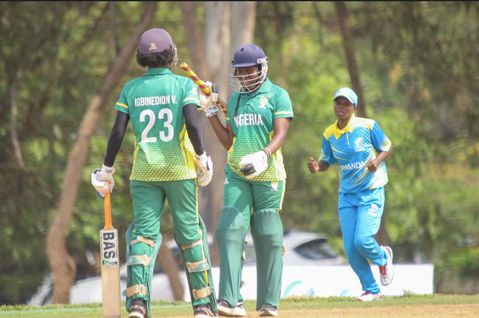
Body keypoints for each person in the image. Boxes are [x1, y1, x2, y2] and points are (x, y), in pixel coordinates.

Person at [90, 28, 218, 318]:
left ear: (141, 58)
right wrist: (202, 158)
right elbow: (194, 123)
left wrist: (106, 170)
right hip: (179, 171)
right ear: (171, 54)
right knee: (190, 235)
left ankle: (136, 304)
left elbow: (118, 131)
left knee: (144, 237)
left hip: (144, 173)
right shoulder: (183, 86)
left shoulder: (131, 89)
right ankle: (201, 307)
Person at [198, 43, 294, 317]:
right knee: (229, 229)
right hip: (237, 172)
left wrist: (264, 154)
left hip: (269, 173)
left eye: (249, 70)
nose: (244, 76)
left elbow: (281, 133)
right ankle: (230, 300)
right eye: (239, 72)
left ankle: (268, 303)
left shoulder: (278, 95)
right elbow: (229, 141)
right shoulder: (237, 99)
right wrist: (210, 112)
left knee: (268, 234)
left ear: (262, 67)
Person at [307, 87, 394, 302]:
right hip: (347, 195)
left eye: (346, 103)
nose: (341, 107)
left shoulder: (367, 126)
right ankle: (372, 290)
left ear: (354, 107)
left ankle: (383, 257)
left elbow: (386, 146)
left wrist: (377, 161)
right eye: (338, 103)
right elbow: (327, 160)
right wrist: (318, 166)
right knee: (350, 248)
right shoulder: (329, 134)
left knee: (363, 240)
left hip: (371, 191)